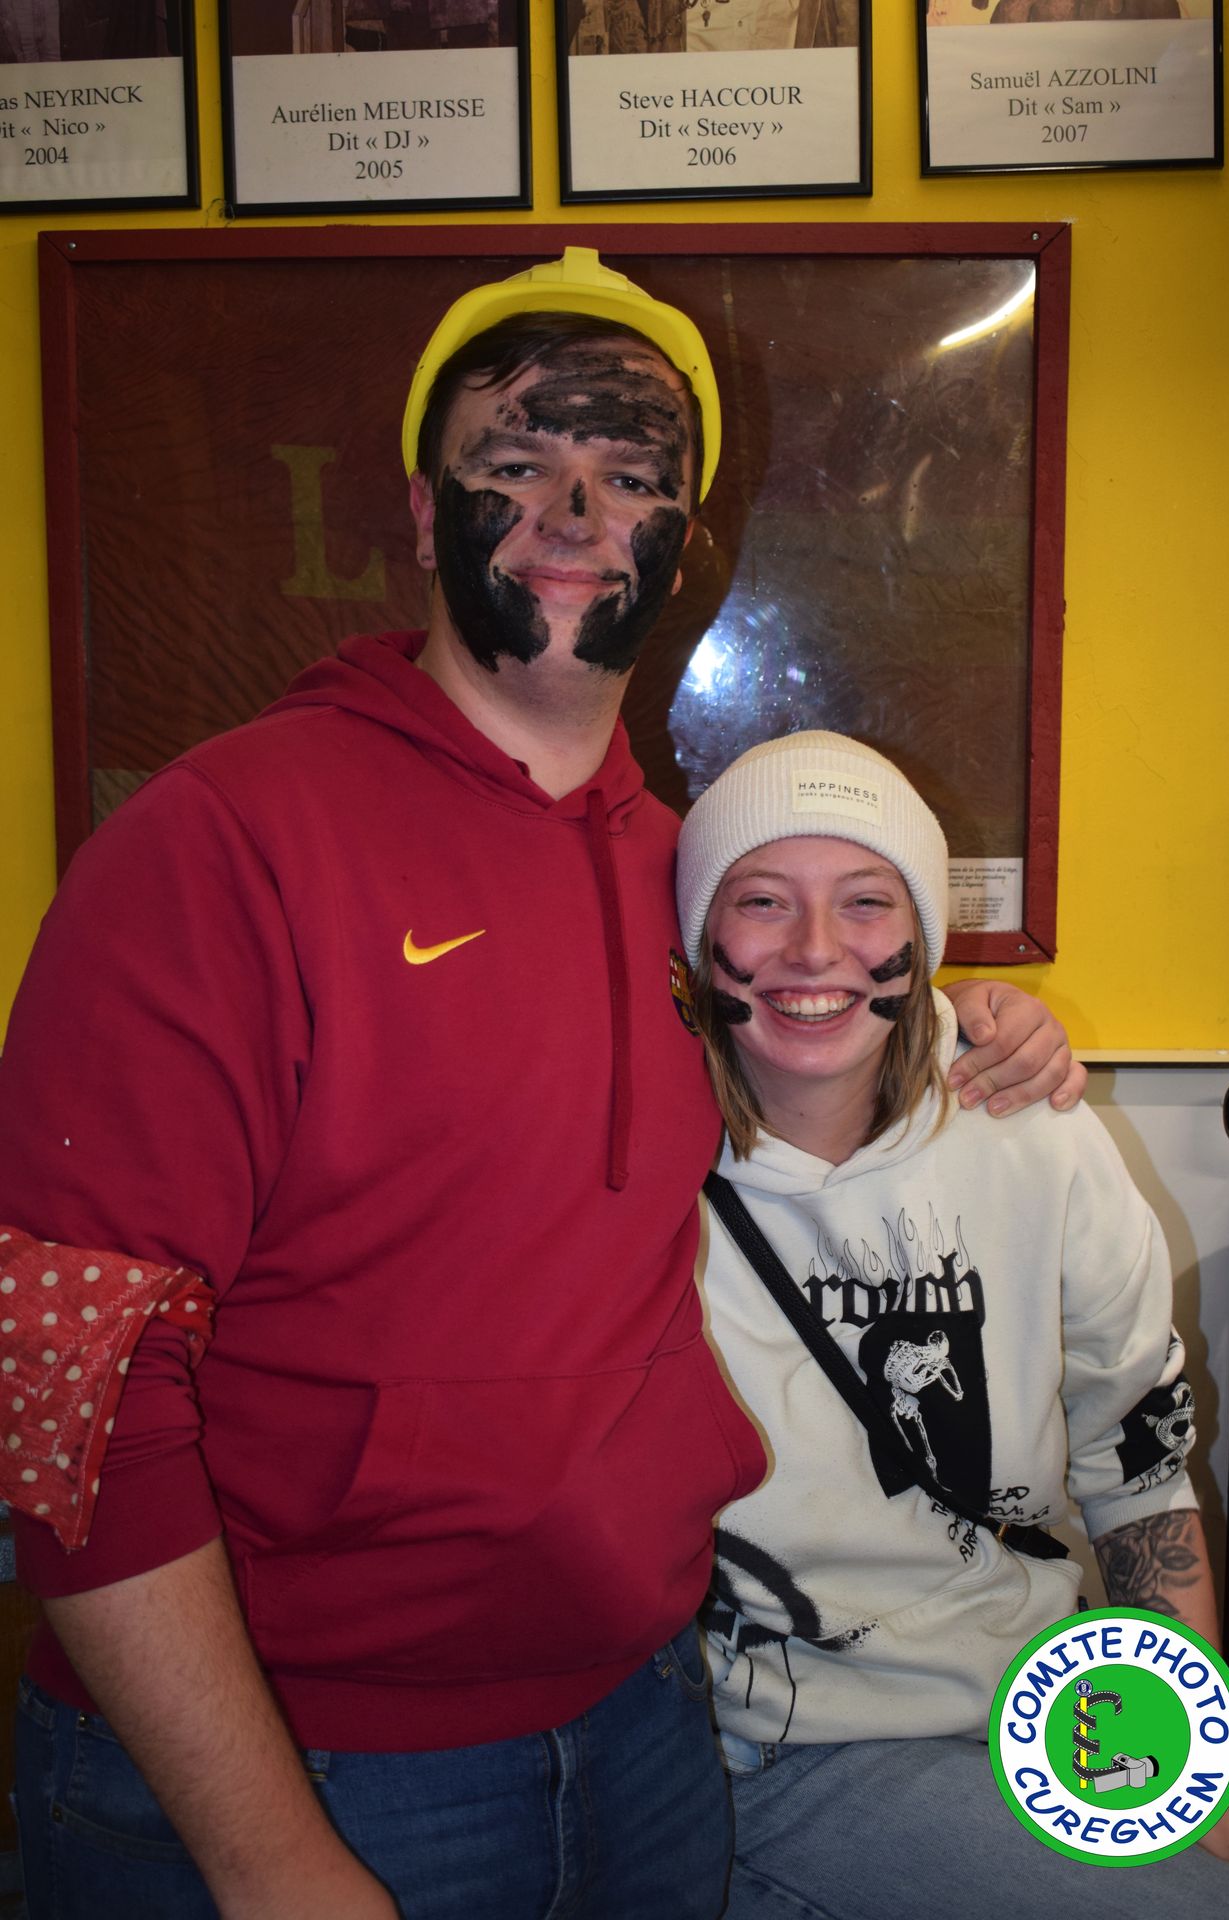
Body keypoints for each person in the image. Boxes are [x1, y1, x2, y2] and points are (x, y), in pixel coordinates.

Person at [0, 251, 1080, 1920]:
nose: (578, 510)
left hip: (647, 1727)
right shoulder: (219, 845)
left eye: (632, 475)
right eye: (518, 462)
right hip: (299, 1766)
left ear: (686, 543)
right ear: (421, 512)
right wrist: (271, 1856)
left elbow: (815, 1061)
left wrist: (981, 1035)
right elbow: (67, 1386)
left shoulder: (687, 880)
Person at [675, 728, 1229, 1917]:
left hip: (1042, 1667)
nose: (814, 949)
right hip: (797, 1740)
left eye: (865, 900)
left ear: (921, 936)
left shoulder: (1024, 1126)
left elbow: (1135, 1467)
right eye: (760, 900)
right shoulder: (631, 1157)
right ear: (701, 941)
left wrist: (1173, 1761)